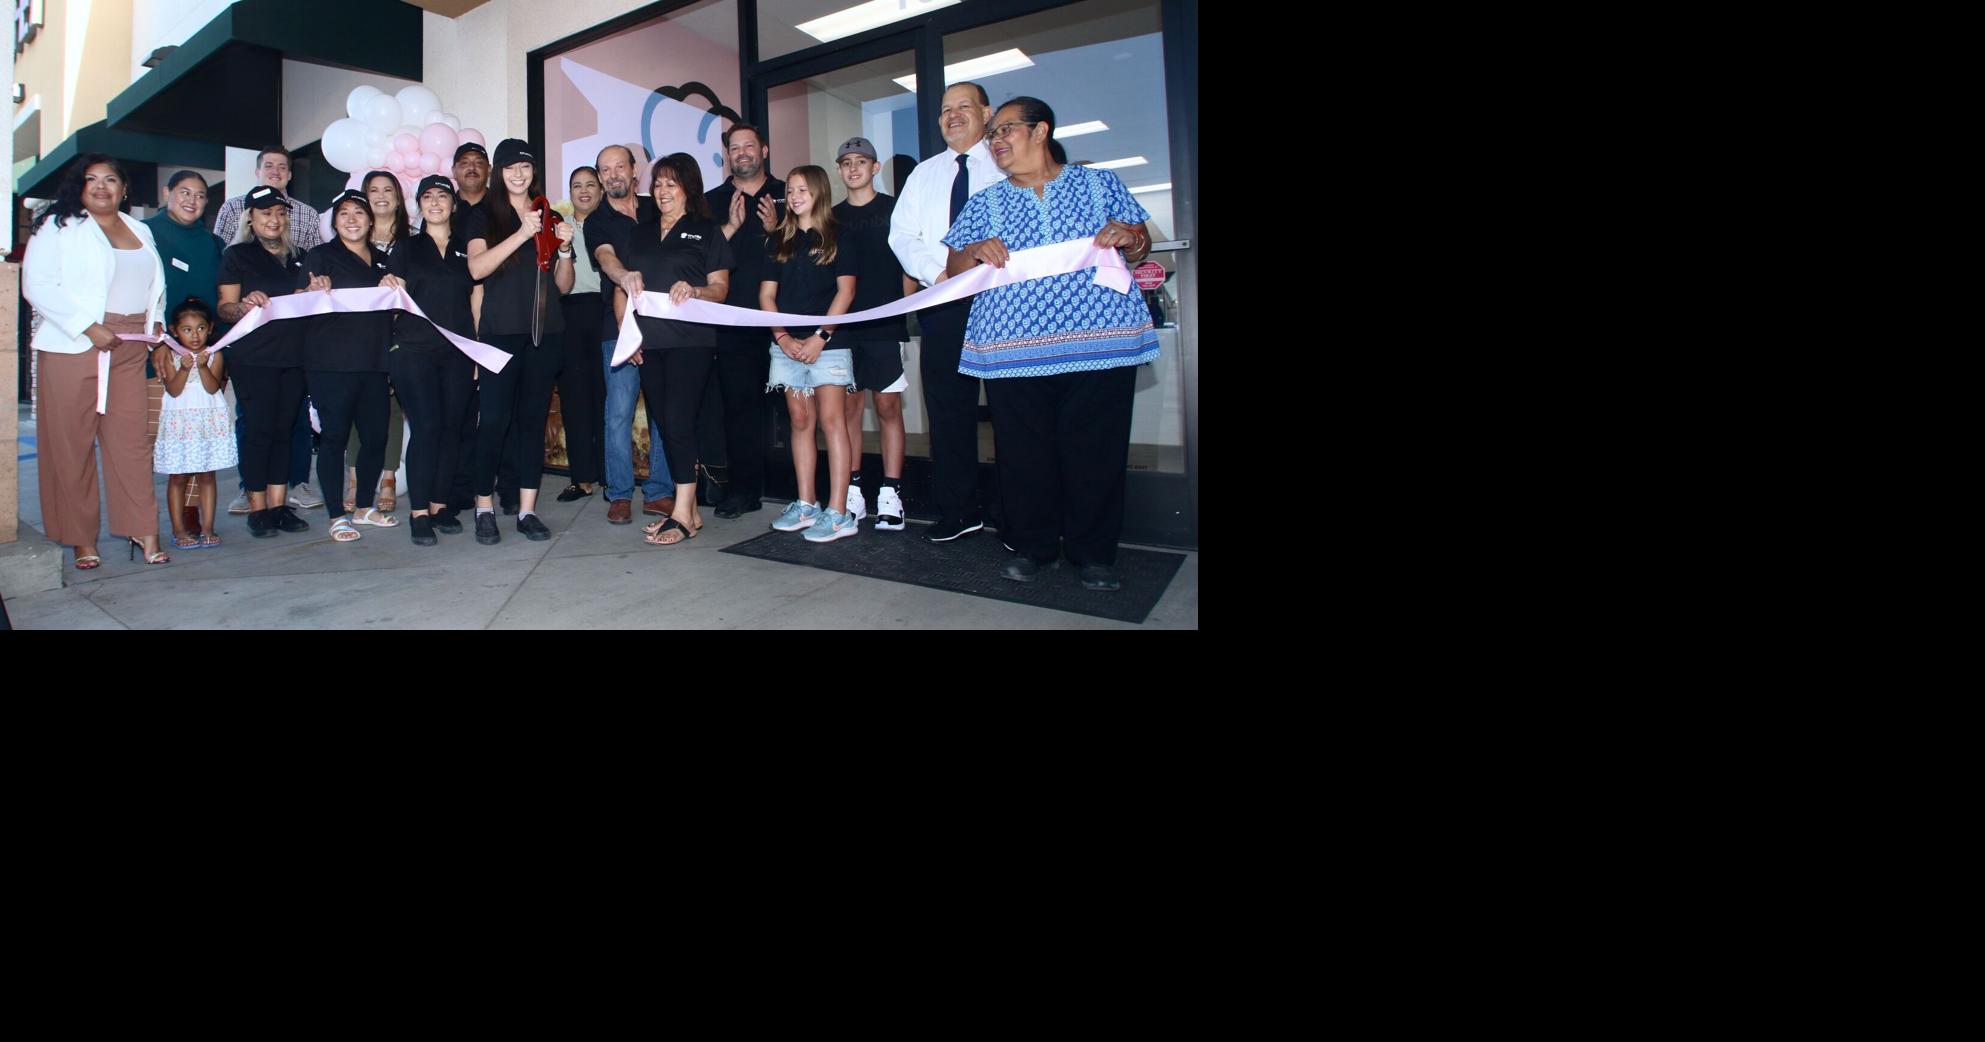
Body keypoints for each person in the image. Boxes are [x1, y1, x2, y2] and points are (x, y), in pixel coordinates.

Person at [941, 96, 1156, 592]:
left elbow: (1140, 241)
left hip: (1100, 345)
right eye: (992, 135)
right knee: (1022, 454)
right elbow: (953, 271)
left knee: (1095, 452)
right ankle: (1033, 548)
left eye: (1005, 130)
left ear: (1041, 131)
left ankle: (1094, 554)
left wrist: (1127, 237)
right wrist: (974, 251)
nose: (996, 142)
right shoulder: (985, 203)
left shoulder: (1100, 184)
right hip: (1013, 351)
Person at [21, 153, 172, 568]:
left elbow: (155, 286)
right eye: (92, 179)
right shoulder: (58, 226)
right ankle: (81, 538)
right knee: (71, 446)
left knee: (131, 444)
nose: (102, 186)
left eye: (111, 179)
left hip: (129, 347)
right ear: (79, 187)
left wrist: (156, 324)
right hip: (74, 345)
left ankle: (142, 529)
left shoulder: (140, 228)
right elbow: (38, 284)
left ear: (124, 189)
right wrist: (88, 327)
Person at [889, 82, 1005, 543]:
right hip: (943, 303)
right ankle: (959, 511)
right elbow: (903, 236)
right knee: (949, 410)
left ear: (986, 112)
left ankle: (1015, 513)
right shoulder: (924, 174)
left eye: (963, 107)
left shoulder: (1005, 164)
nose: (953, 116)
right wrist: (940, 275)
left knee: (1010, 411)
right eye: (945, 110)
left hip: (1004, 303)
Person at [463, 138, 575, 544]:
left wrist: (564, 251)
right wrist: (521, 234)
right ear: (498, 171)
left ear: (533, 172)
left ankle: (527, 511)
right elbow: (477, 269)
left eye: (524, 167)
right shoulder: (482, 215)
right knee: (493, 421)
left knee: (532, 423)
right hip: (499, 334)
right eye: (509, 166)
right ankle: (484, 507)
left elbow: (562, 286)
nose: (518, 174)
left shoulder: (547, 213)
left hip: (545, 335)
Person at [618, 152, 731, 546]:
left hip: (691, 342)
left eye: (672, 183)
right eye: (659, 183)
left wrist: (696, 289)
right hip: (650, 343)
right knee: (665, 424)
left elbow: (721, 288)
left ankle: (682, 510)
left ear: (689, 187)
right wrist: (628, 337)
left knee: (680, 420)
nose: (663, 191)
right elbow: (627, 292)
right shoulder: (640, 232)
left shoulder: (706, 230)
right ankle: (692, 511)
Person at [216, 148, 325, 514]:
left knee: (285, 429)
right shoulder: (237, 255)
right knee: (259, 430)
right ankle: (258, 507)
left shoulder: (298, 256)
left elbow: (301, 302)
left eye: (280, 213)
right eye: (266, 213)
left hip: (293, 357)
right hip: (254, 358)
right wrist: (244, 304)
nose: (274, 219)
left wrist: (312, 292)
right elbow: (225, 309)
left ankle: (278, 507)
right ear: (251, 217)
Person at [759, 164, 858, 543]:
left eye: (803, 189)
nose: (796, 195)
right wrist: (783, 337)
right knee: (799, 420)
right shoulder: (778, 241)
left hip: (829, 346)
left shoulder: (839, 236)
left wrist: (820, 336)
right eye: (791, 189)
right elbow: (767, 295)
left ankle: (838, 512)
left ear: (819, 191)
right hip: (786, 346)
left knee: (832, 421)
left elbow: (845, 292)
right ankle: (806, 503)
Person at [299, 188, 400, 543]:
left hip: (374, 364)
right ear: (334, 222)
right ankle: (336, 515)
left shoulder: (383, 261)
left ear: (371, 221)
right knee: (334, 438)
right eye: (344, 213)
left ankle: (362, 506)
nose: (352, 219)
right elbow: (298, 303)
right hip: (331, 366)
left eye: (359, 212)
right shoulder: (320, 257)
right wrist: (311, 290)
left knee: (375, 438)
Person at [383, 173, 479, 545]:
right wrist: (386, 285)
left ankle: (440, 505)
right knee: (426, 429)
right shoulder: (406, 247)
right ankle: (419, 512)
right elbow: (394, 295)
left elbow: (475, 301)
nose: (435, 202)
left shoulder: (465, 248)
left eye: (443, 196)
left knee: (452, 429)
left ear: (453, 204)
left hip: (458, 353)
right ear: (419, 204)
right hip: (413, 351)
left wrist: (474, 354)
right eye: (428, 197)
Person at [583, 143, 672, 525]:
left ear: (635, 170)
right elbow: (606, 258)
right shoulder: (598, 220)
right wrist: (625, 278)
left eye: (620, 166)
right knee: (618, 413)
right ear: (601, 177)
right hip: (615, 326)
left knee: (664, 411)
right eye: (606, 169)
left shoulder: (658, 206)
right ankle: (619, 494)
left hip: (665, 325)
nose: (613, 173)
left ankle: (660, 491)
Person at [705, 124, 787, 520]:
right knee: (738, 409)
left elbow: (811, 251)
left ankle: (799, 488)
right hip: (733, 320)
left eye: (748, 146)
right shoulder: (711, 201)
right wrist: (732, 226)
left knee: (796, 408)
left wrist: (778, 231)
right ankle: (744, 490)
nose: (741, 153)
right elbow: (701, 258)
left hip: (787, 318)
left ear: (764, 149)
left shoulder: (791, 193)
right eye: (734, 148)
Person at [830, 136, 913, 532]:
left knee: (887, 408)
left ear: (875, 168)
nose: (853, 168)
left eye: (861, 161)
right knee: (848, 411)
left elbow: (909, 265)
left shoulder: (896, 210)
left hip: (885, 325)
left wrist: (903, 307)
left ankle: (892, 493)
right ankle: (853, 491)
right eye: (846, 163)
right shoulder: (831, 218)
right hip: (844, 328)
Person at [345, 170, 410, 514]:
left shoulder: (412, 240)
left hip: (402, 335)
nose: (381, 196)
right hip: (360, 338)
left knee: (392, 407)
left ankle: (388, 476)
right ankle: (355, 478)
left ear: (399, 198)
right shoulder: (351, 242)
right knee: (359, 406)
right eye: (374, 191)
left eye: (388, 190)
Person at [151, 297, 235, 549]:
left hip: (207, 423)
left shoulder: (215, 354)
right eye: (187, 330)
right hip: (180, 424)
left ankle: (208, 527)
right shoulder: (172, 357)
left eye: (200, 328)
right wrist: (185, 369)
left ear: (209, 328)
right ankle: (179, 530)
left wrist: (203, 366)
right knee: (178, 478)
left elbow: (212, 388)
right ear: (175, 332)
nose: (195, 335)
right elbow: (173, 390)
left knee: (207, 476)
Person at [553, 164, 607, 503]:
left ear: (601, 190)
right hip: (569, 314)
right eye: (577, 186)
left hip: (606, 312)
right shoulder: (560, 229)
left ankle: (608, 476)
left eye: (590, 184)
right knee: (574, 399)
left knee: (605, 397)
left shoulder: (611, 224)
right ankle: (582, 478)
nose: (584, 191)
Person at [212, 146, 324, 253]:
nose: (275, 171)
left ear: (289, 175)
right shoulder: (232, 208)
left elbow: (315, 260)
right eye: (268, 166)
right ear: (257, 172)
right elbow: (218, 252)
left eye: (282, 167)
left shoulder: (309, 214)